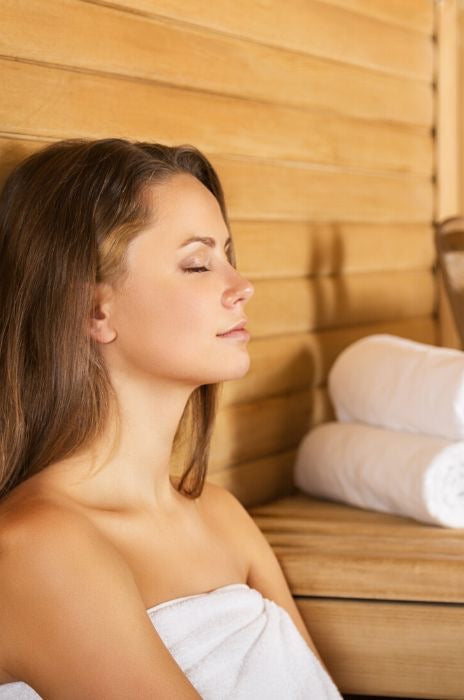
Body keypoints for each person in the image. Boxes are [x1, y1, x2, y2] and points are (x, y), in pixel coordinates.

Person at [0, 139, 341, 698]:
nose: (241, 286)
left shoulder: (221, 515)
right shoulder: (38, 550)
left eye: (229, 256)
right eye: (198, 263)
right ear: (93, 310)